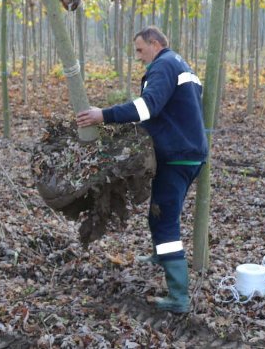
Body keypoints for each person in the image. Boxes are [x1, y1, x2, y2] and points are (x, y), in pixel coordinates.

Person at [76, 26, 207, 314]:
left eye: (140, 49)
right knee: (159, 213)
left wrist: (103, 115)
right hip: (187, 152)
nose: (138, 57)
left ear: (155, 43)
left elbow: (148, 108)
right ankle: (161, 256)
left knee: (166, 222)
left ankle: (179, 297)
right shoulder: (181, 64)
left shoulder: (163, 66)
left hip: (176, 156)